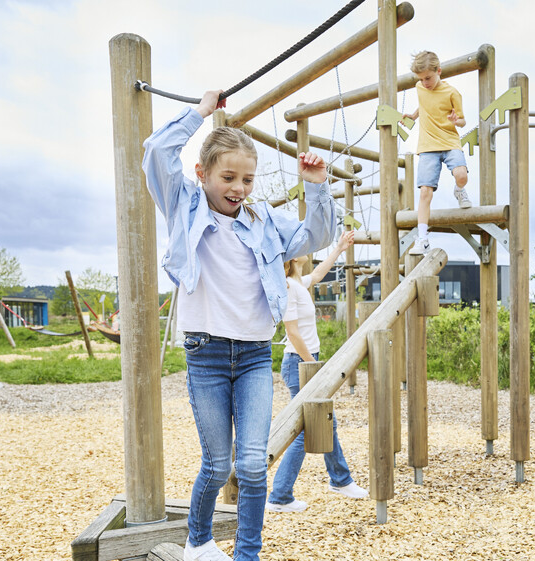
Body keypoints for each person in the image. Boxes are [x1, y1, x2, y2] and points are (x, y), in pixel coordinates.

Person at [142, 89, 336, 561]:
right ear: (202, 173)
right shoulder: (183, 207)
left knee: (251, 465)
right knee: (217, 463)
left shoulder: (263, 219)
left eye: (247, 179)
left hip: (252, 355)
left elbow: (319, 234)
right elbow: (155, 152)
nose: (239, 187)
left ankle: (247, 554)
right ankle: (199, 540)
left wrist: (316, 186)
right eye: (228, 177)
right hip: (205, 353)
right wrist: (200, 114)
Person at [266, 229, 369, 513]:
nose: (305, 248)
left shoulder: (299, 282)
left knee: (326, 421)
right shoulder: (287, 285)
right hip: (300, 362)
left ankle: (340, 479)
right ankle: (280, 496)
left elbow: (320, 274)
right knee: (303, 430)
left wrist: (339, 248)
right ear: (288, 256)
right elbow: (293, 333)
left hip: (305, 361)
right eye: (297, 245)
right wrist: (312, 365)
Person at [401, 50, 472, 255]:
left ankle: (459, 191)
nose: (424, 83)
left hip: (450, 142)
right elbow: (424, 104)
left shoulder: (452, 93)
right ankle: (422, 239)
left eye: (428, 78)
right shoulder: (419, 87)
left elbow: (463, 120)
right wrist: (413, 116)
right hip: (428, 145)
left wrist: (454, 121)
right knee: (425, 192)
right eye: (421, 79)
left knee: (461, 175)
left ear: (438, 71)